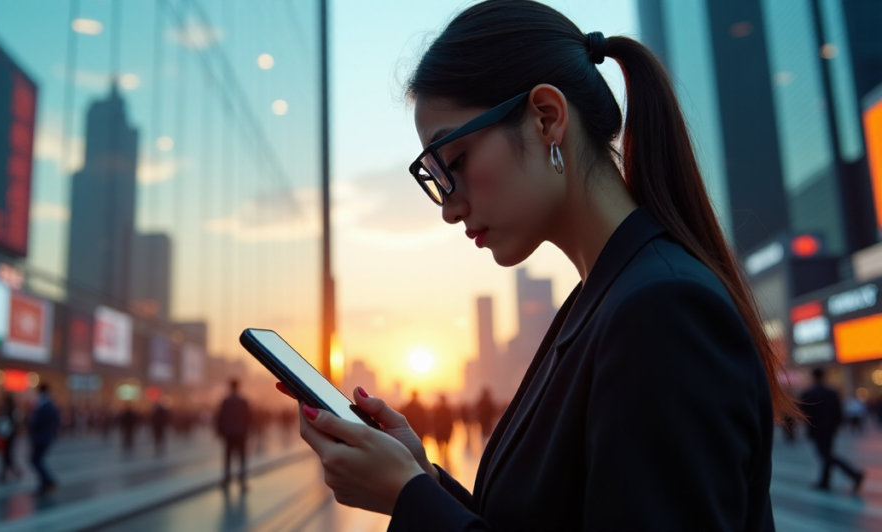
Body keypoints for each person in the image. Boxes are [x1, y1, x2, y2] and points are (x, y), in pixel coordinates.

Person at [277, 2, 796, 529]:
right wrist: (422, 481)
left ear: (547, 117)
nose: (448, 208)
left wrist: (412, 499)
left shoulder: (661, 310)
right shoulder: (604, 301)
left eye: (451, 164)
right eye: (433, 178)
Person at [800, 368, 865, 493]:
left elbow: (804, 413)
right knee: (827, 454)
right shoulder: (832, 392)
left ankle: (854, 474)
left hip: (817, 429)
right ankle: (825, 481)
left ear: (813, 376)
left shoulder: (808, 393)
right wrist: (837, 426)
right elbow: (838, 411)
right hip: (830, 429)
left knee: (826, 455)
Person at [216, 379, 251, 490]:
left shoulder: (226, 401)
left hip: (229, 433)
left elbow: (220, 417)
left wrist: (219, 431)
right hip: (241, 433)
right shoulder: (243, 401)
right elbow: (248, 417)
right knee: (242, 458)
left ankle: (226, 479)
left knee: (228, 457)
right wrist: (247, 431)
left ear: (230, 386)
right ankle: (242, 481)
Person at [29, 383, 60, 495]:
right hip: (46, 436)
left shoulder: (42, 404)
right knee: (37, 460)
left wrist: (31, 421)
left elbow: (36, 421)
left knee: (35, 460)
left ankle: (48, 481)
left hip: (41, 437)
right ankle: (46, 483)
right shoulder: (51, 404)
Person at [0, 394, 22, 483]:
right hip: (4, 435)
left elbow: (16, 423)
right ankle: (14, 472)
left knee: (6, 455)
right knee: (6, 455)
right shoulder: (6, 411)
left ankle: (4, 474)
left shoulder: (12, 411)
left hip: (8, 435)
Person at [433, 395, 454, 466]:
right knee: (445, 444)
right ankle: (444, 455)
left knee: (440, 444)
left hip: (440, 430)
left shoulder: (437, 409)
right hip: (445, 430)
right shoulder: (447, 409)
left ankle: (441, 455)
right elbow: (450, 421)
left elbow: (434, 421)